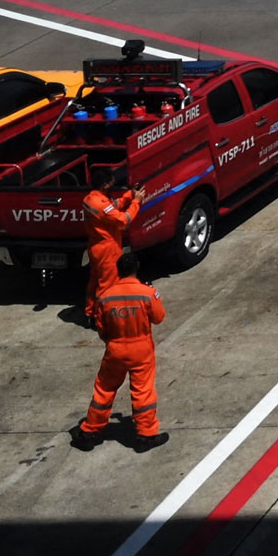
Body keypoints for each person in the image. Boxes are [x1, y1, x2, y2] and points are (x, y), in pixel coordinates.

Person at [75, 257, 167, 449]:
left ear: (118, 271)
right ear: (137, 268)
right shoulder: (147, 293)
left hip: (115, 349)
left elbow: (101, 327)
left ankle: (89, 432)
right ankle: (146, 435)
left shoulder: (106, 296)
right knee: (143, 391)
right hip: (141, 349)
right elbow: (159, 318)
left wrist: (112, 342)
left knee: (104, 390)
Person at [78, 185, 141, 318]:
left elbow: (112, 206)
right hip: (108, 250)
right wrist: (136, 202)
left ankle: (90, 312)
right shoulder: (101, 204)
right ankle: (102, 317)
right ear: (105, 184)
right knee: (107, 286)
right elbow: (123, 220)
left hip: (95, 246)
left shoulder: (90, 199)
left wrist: (130, 194)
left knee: (95, 282)